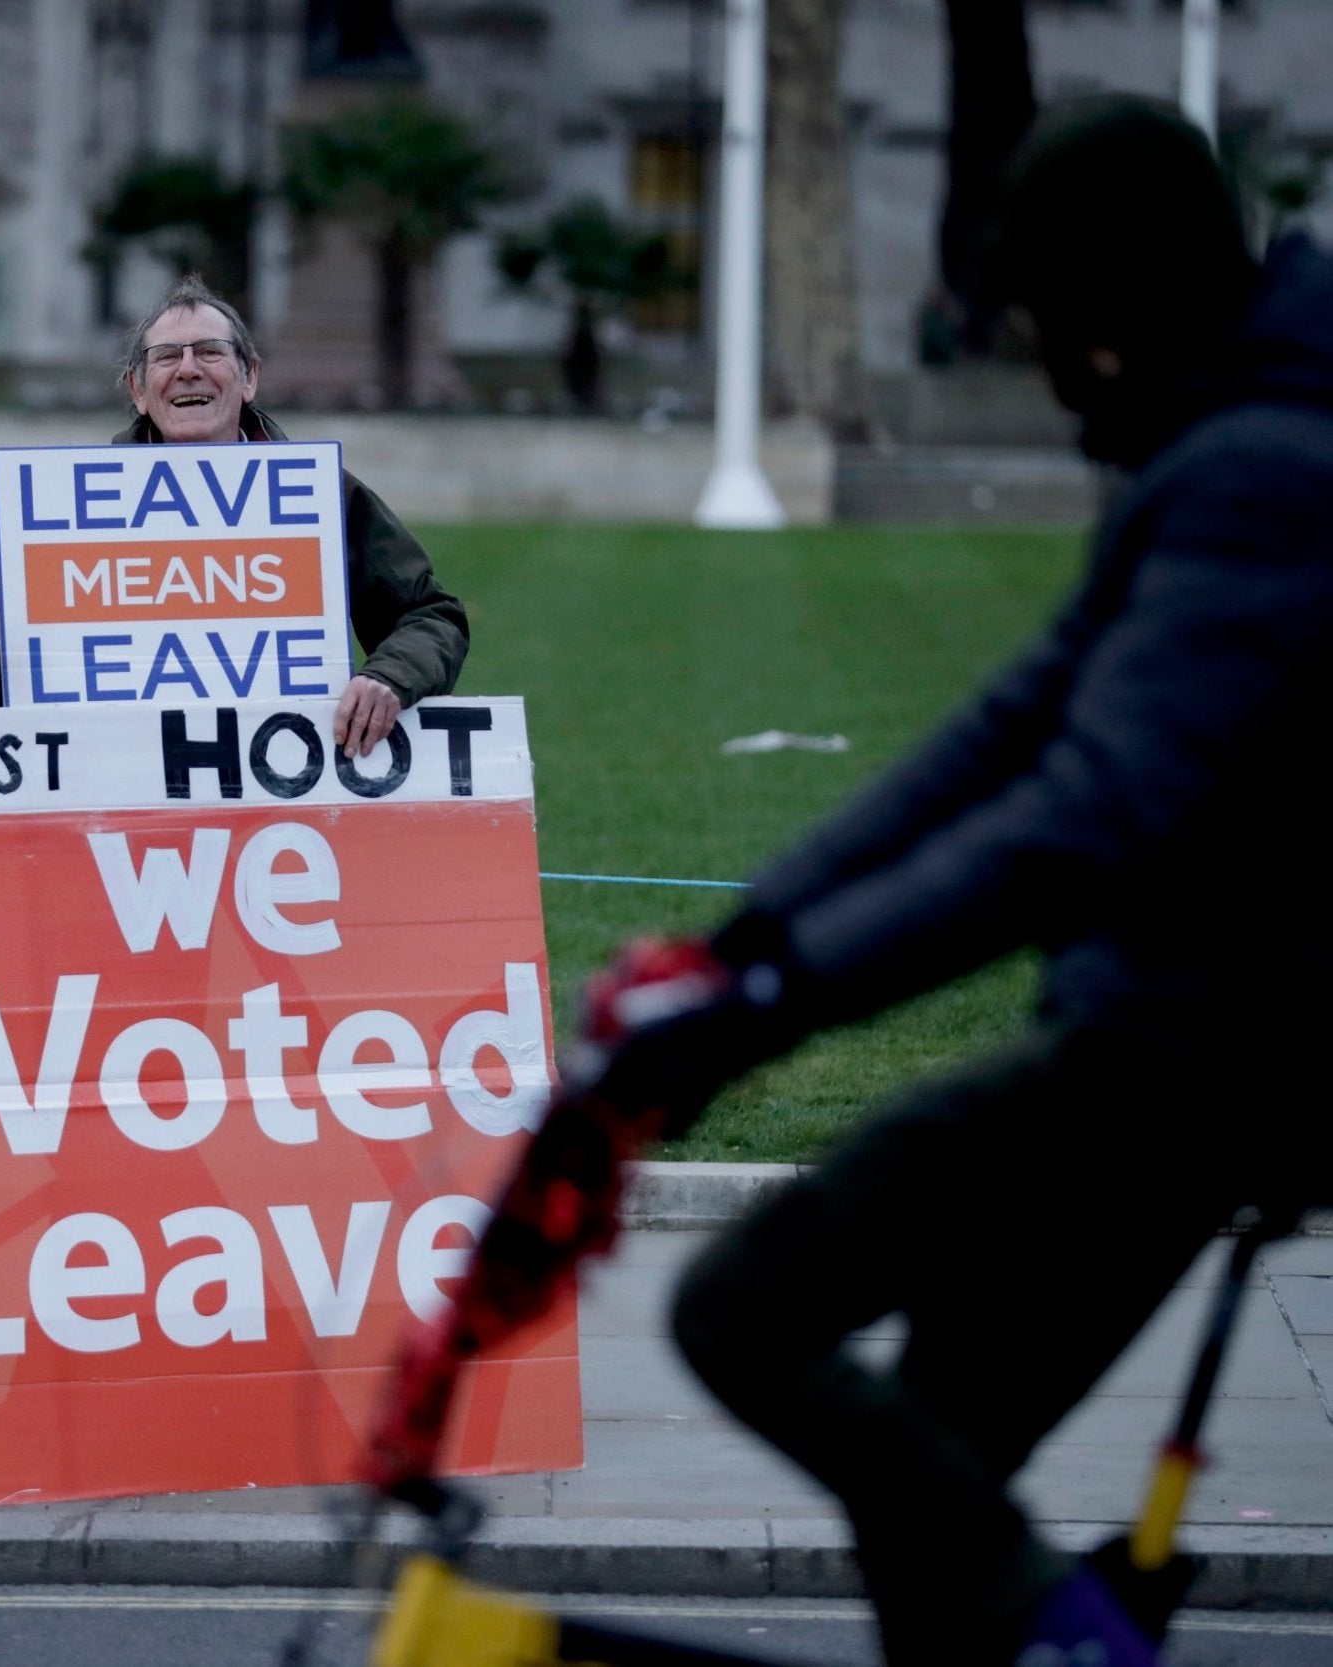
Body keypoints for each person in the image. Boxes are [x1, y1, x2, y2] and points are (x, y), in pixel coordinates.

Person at [369, 98, 1333, 1667]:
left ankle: (1075, 1649)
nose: (1037, 365)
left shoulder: (1259, 475)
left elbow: (1080, 809)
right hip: (1183, 1036)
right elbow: (1003, 727)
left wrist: (765, 1003)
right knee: (930, 1483)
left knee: (742, 1305)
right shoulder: (1224, 437)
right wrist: (741, 940)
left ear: (1110, 306)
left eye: (1041, 325)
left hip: (1199, 1056)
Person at [0, 276, 468, 757]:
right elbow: (14, 684)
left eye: (209, 352)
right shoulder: (78, 507)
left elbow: (431, 617)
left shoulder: (317, 497)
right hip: (123, 789)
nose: (187, 370)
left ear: (248, 376)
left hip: (283, 783)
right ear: (138, 389)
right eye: (166, 357)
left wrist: (387, 678)